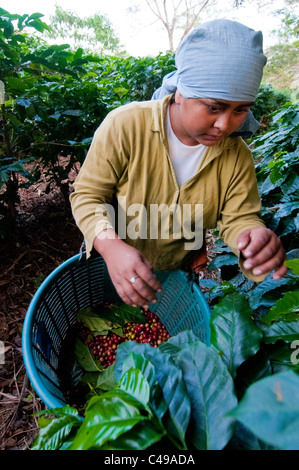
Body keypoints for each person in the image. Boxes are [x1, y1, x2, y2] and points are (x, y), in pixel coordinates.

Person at [70, 19, 287, 309]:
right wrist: (110, 247)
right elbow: (88, 195)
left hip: (174, 272)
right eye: (214, 107)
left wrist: (253, 238)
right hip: (110, 264)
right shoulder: (125, 126)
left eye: (240, 110)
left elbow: (239, 218)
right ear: (182, 92)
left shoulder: (236, 157)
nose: (224, 124)